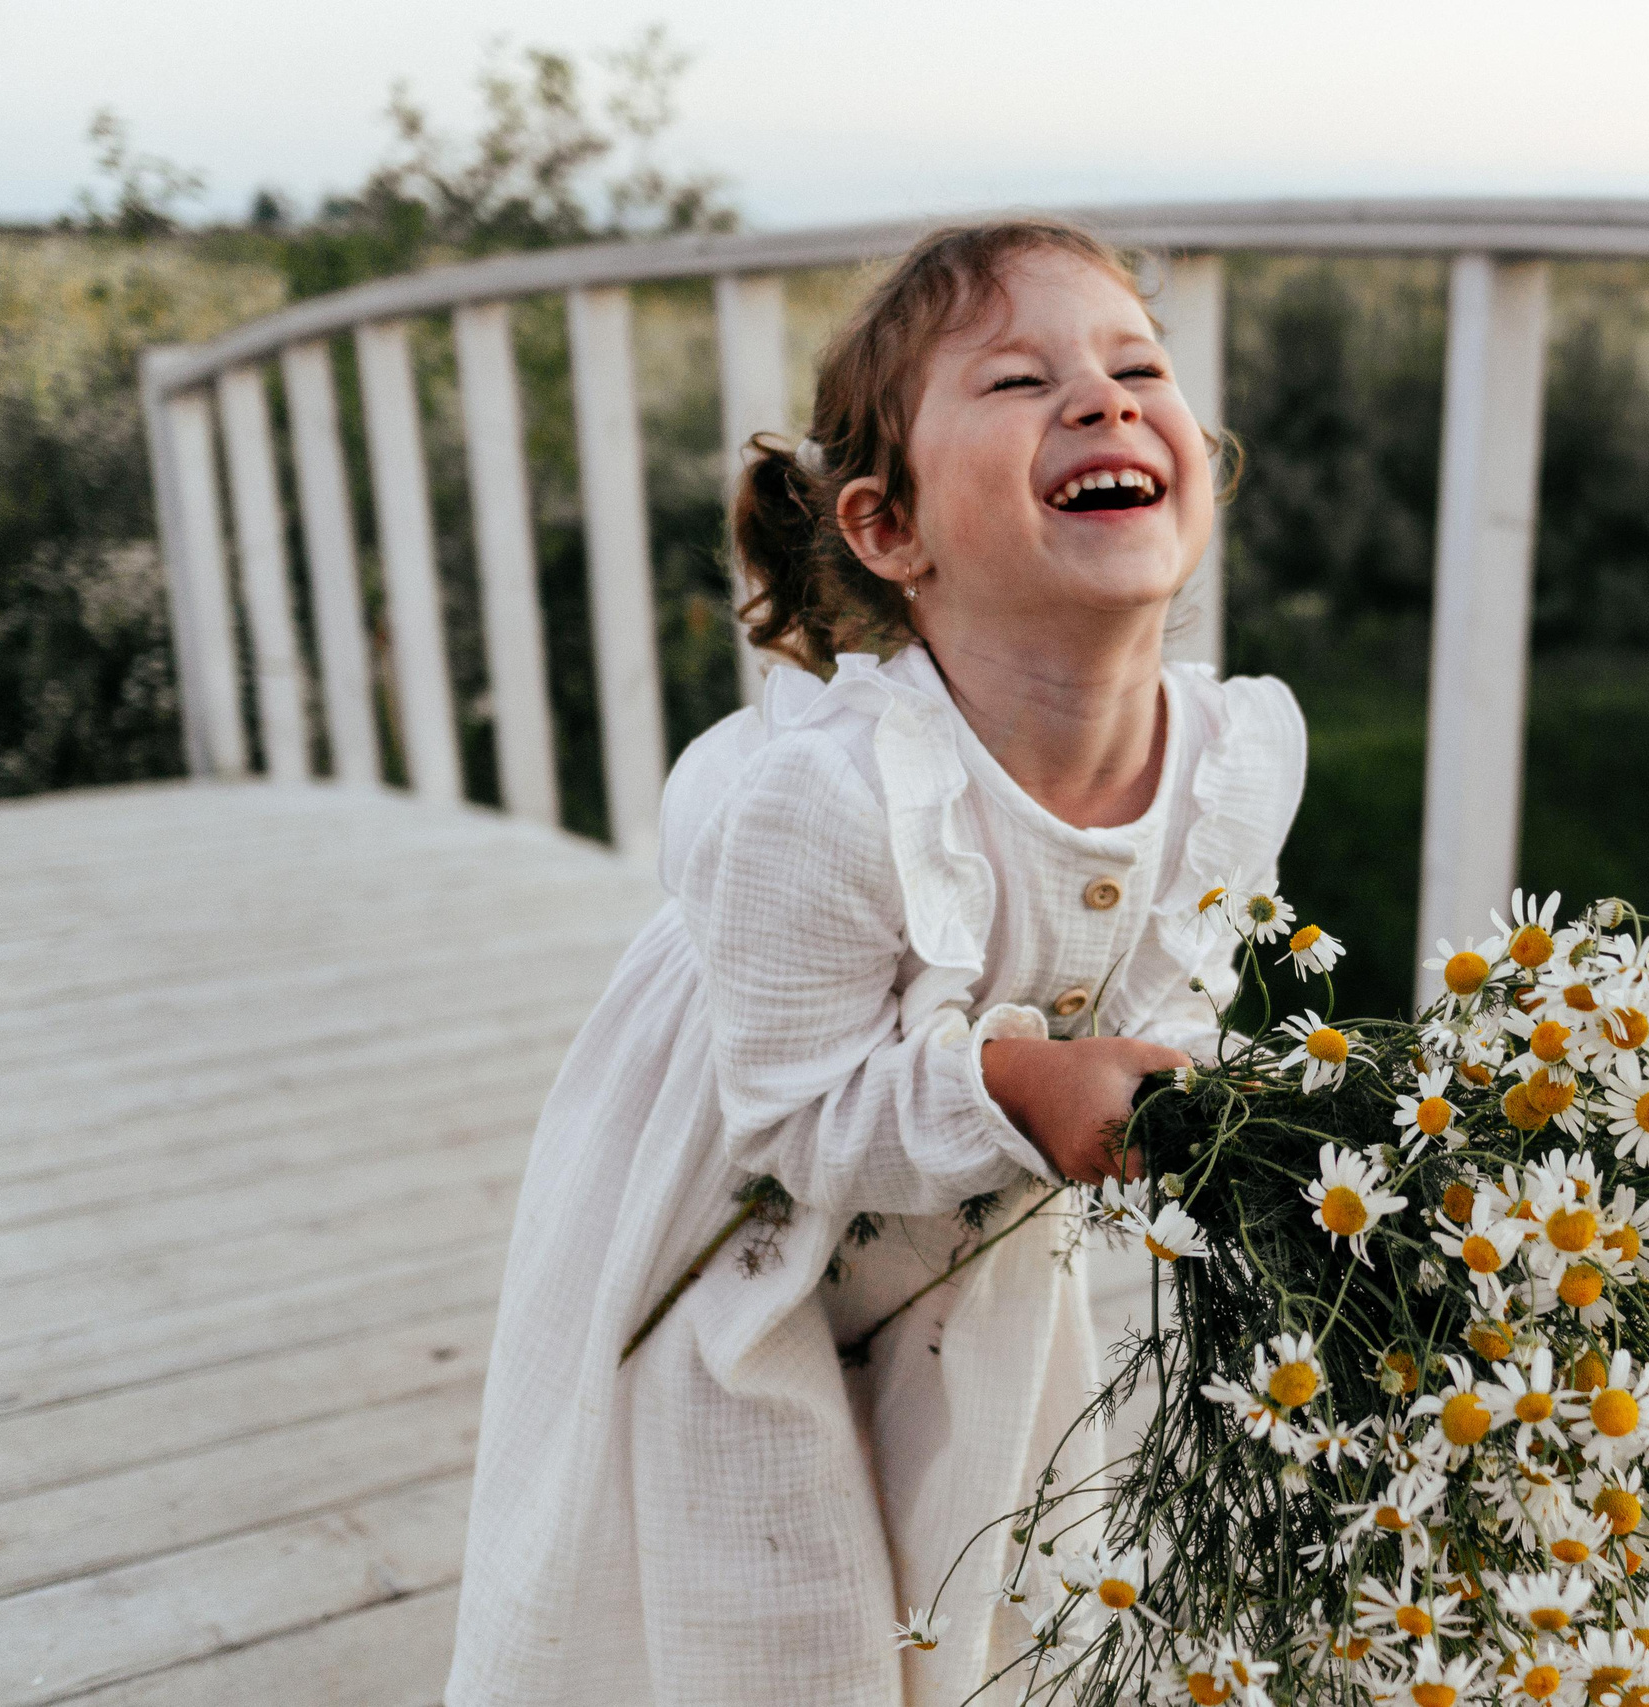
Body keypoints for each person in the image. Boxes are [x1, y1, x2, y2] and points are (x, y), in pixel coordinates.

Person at [446, 219, 1306, 1707]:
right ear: (885, 529)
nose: (1101, 400)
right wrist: (1025, 1080)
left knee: (975, 1591)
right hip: (734, 1248)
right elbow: (792, 1110)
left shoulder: (1234, 764)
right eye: (1020, 380)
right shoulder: (824, 795)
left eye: (1136, 367)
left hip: (966, 1255)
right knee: (772, 1627)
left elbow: (1174, 1014)